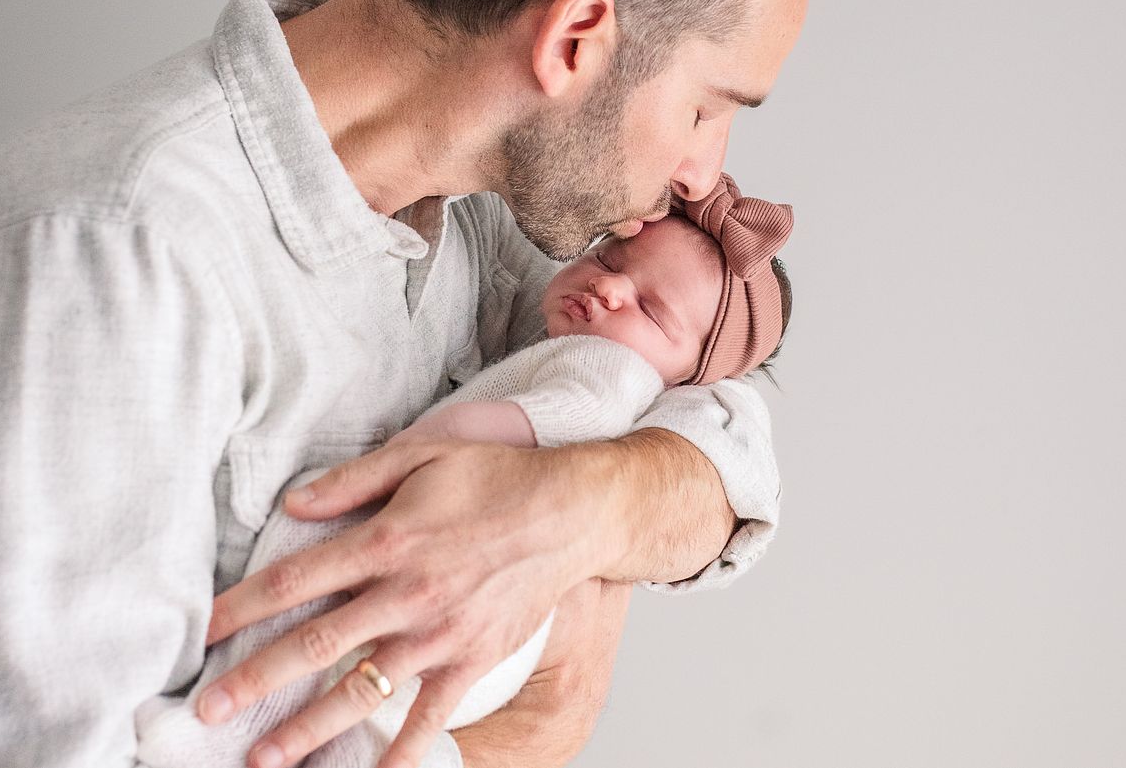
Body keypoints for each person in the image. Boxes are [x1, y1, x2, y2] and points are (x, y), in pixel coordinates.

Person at [0, 0, 824, 767]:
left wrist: (584, 507)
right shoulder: (110, 254)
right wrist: (542, 717)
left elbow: (722, 415)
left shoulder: (483, 220)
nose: (702, 178)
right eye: (709, 109)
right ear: (576, 37)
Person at [135, 176, 795, 768]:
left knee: (313, 660)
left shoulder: (613, 371)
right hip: (477, 650)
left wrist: (430, 445)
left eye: (650, 310)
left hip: (470, 613)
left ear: (692, 378)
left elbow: (558, 420)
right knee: (355, 715)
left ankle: (203, 737)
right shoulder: (527, 274)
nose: (608, 287)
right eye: (607, 257)